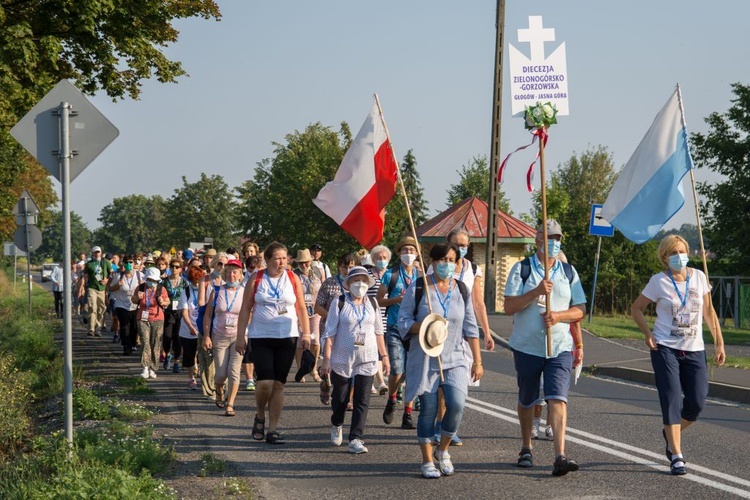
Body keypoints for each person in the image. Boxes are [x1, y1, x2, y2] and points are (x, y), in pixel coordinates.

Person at [631, 234, 725, 476]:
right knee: (671, 397)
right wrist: (647, 333)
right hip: (665, 347)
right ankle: (676, 454)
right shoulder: (658, 281)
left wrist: (719, 343)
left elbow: (709, 312)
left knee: (697, 401)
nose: (679, 256)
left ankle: (669, 431)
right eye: (673, 253)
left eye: (682, 251)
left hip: (694, 348)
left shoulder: (700, 277)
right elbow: (636, 308)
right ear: (665, 257)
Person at [503, 219, 586, 476]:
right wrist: (536, 291)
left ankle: (560, 455)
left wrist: (560, 316)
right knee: (527, 399)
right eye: (550, 237)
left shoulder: (568, 272)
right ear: (538, 239)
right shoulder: (522, 269)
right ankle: (526, 446)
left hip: (559, 347)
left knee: (557, 399)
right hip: (527, 346)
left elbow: (580, 309)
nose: (554, 242)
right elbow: (508, 307)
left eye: (558, 238)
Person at [398, 243, 483, 478]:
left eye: (451, 260)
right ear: (432, 262)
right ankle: (426, 460)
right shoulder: (419, 287)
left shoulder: (462, 289)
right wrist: (425, 326)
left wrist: (477, 361)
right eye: (442, 259)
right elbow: (403, 321)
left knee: (456, 405)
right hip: (426, 357)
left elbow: (470, 328)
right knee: (429, 410)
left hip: (455, 357)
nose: (447, 264)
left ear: (457, 263)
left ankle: (443, 450)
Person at [236, 242, 311, 445]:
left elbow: (302, 308)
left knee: (278, 384)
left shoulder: (292, 278)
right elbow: (245, 309)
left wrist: (307, 334)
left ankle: (273, 429)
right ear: (267, 260)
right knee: (264, 384)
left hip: (287, 336)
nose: (281, 262)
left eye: (284, 258)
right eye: (277, 258)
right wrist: (240, 336)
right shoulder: (256, 278)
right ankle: (260, 414)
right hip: (261, 336)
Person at [319, 266, 388, 454]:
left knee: (362, 399)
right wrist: (326, 360)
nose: (360, 284)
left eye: (364, 281)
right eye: (356, 280)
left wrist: (385, 357)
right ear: (348, 284)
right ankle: (337, 423)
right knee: (340, 399)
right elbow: (330, 333)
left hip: (368, 358)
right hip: (342, 358)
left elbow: (379, 332)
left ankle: (356, 438)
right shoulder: (339, 302)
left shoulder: (373, 303)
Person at [377, 236, 421, 429]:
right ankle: (392, 399)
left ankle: (408, 414)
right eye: (405, 251)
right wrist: (397, 300)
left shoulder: (421, 276)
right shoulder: (391, 275)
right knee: (397, 370)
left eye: (412, 250)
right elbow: (379, 300)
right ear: (399, 254)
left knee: (412, 372)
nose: (408, 254)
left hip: (414, 329)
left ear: (417, 253)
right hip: (395, 327)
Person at [203, 259, 245, 416]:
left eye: (235, 272)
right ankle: (219, 390)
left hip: (238, 337)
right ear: (225, 273)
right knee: (220, 374)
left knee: (234, 371)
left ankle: (230, 403)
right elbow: (207, 316)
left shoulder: (244, 292)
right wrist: (207, 336)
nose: (232, 275)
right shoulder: (217, 291)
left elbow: (250, 314)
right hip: (219, 337)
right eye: (229, 271)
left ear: (240, 274)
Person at [132, 267, 170, 379]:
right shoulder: (140, 288)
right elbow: (134, 300)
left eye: (155, 281)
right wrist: (136, 297)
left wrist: (163, 302)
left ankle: (153, 368)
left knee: (155, 343)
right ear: (146, 278)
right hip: (143, 319)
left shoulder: (161, 289)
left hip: (158, 319)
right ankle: (145, 367)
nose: (152, 282)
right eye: (150, 280)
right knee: (145, 342)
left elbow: (167, 301)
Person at [293, 248, 324, 383]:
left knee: (315, 342)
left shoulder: (318, 272)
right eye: (301, 263)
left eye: (306, 262)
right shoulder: (294, 275)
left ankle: (313, 368)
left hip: (314, 311)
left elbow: (322, 290)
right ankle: (301, 369)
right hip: (300, 311)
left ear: (310, 262)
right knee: (300, 343)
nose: (304, 265)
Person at [178, 265, 206, 390]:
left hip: (202, 328)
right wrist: (190, 326)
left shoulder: (207, 290)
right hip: (187, 329)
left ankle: (204, 378)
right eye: (195, 280)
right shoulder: (186, 292)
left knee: (203, 355)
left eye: (199, 280)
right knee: (189, 355)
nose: (197, 283)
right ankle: (191, 379)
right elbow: (184, 312)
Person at [109, 254, 143, 355]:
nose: (129, 264)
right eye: (127, 262)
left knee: (134, 327)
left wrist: (141, 290)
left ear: (134, 263)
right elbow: (111, 288)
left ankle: (132, 343)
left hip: (135, 305)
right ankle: (126, 346)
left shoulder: (139, 275)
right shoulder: (119, 276)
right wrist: (117, 285)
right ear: (123, 263)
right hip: (121, 304)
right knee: (125, 326)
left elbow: (145, 288)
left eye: (130, 262)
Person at [77, 246, 112, 337]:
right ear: (92, 253)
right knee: (93, 308)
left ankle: (98, 327)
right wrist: (83, 288)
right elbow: (85, 276)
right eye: (95, 252)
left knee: (101, 309)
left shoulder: (106, 263)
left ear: (101, 252)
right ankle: (91, 329)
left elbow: (111, 274)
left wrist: (106, 280)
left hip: (102, 289)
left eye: (98, 252)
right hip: (92, 288)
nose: (97, 254)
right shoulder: (89, 264)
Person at [161, 258, 186, 373]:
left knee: (177, 338)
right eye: (172, 266)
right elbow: (159, 293)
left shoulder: (184, 282)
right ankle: (167, 354)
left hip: (180, 313)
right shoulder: (165, 282)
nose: (174, 269)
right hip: (168, 312)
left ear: (181, 269)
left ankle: (177, 361)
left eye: (176, 267)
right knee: (167, 337)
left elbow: (189, 295)